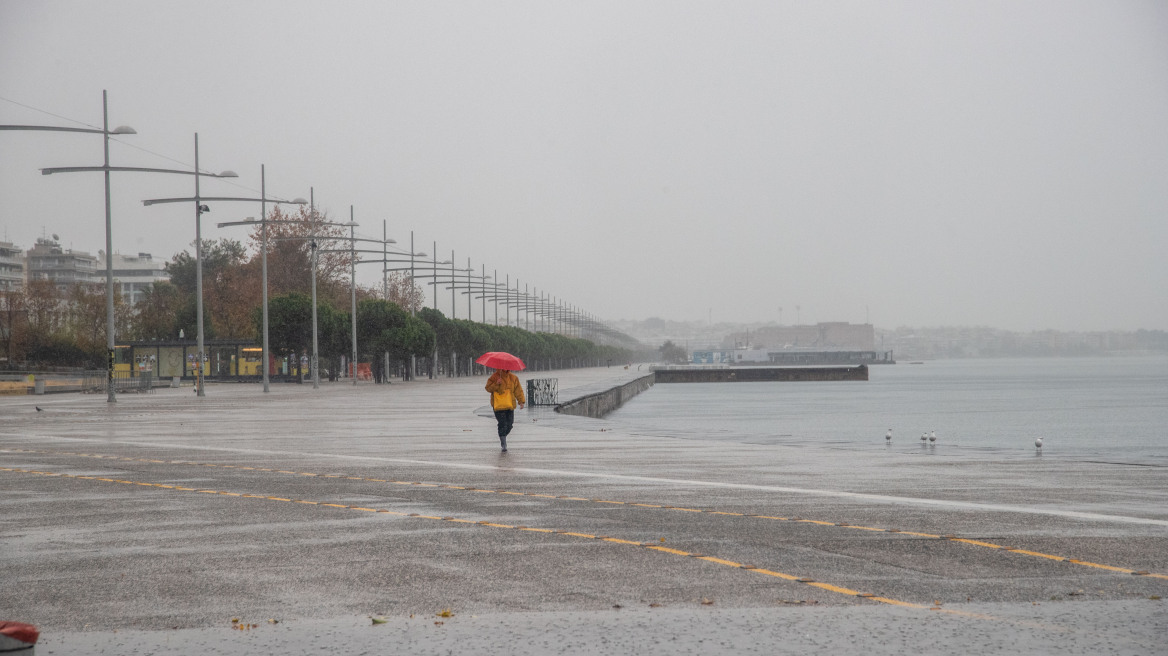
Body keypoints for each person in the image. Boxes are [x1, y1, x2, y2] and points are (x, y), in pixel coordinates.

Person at [485, 368, 525, 452]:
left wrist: (521, 401)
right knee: (502, 423)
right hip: (498, 405)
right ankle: (503, 443)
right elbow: (488, 388)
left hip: (509, 405)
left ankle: (502, 435)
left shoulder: (513, 378)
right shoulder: (494, 377)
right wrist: (496, 384)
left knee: (509, 424)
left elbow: (518, 390)